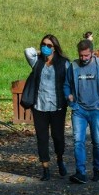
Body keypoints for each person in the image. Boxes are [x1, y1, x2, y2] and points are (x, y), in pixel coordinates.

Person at [63, 40, 99, 184]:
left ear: (92, 53)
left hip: (96, 110)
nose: (83, 58)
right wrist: (69, 97)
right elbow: (66, 85)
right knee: (78, 141)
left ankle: (97, 170)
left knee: (97, 142)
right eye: (81, 55)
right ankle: (81, 173)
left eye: (86, 56)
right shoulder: (73, 66)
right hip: (79, 110)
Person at [24, 35, 71, 181]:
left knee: (58, 137)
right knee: (42, 138)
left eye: (49, 45)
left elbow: (69, 82)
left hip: (57, 107)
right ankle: (45, 168)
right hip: (39, 106)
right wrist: (41, 51)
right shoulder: (36, 61)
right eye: (43, 44)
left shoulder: (64, 63)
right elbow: (27, 51)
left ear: (55, 47)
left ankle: (60, 159)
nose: (46, 47)